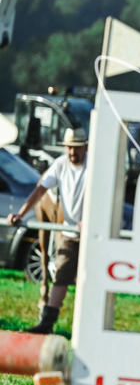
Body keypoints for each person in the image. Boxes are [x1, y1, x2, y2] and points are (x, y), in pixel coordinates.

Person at [6, 128, 88, 334]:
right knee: (60, 276)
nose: (72, 152)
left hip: (91, 235)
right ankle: (46, 324)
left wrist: (89, 220)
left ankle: (90, 327)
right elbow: (40, 190)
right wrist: (20, 214)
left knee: (90, 280)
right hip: (69, 232)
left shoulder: (93, 166)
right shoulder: (60, 164)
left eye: (77, 148)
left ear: (85, 147)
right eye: (69, 148)